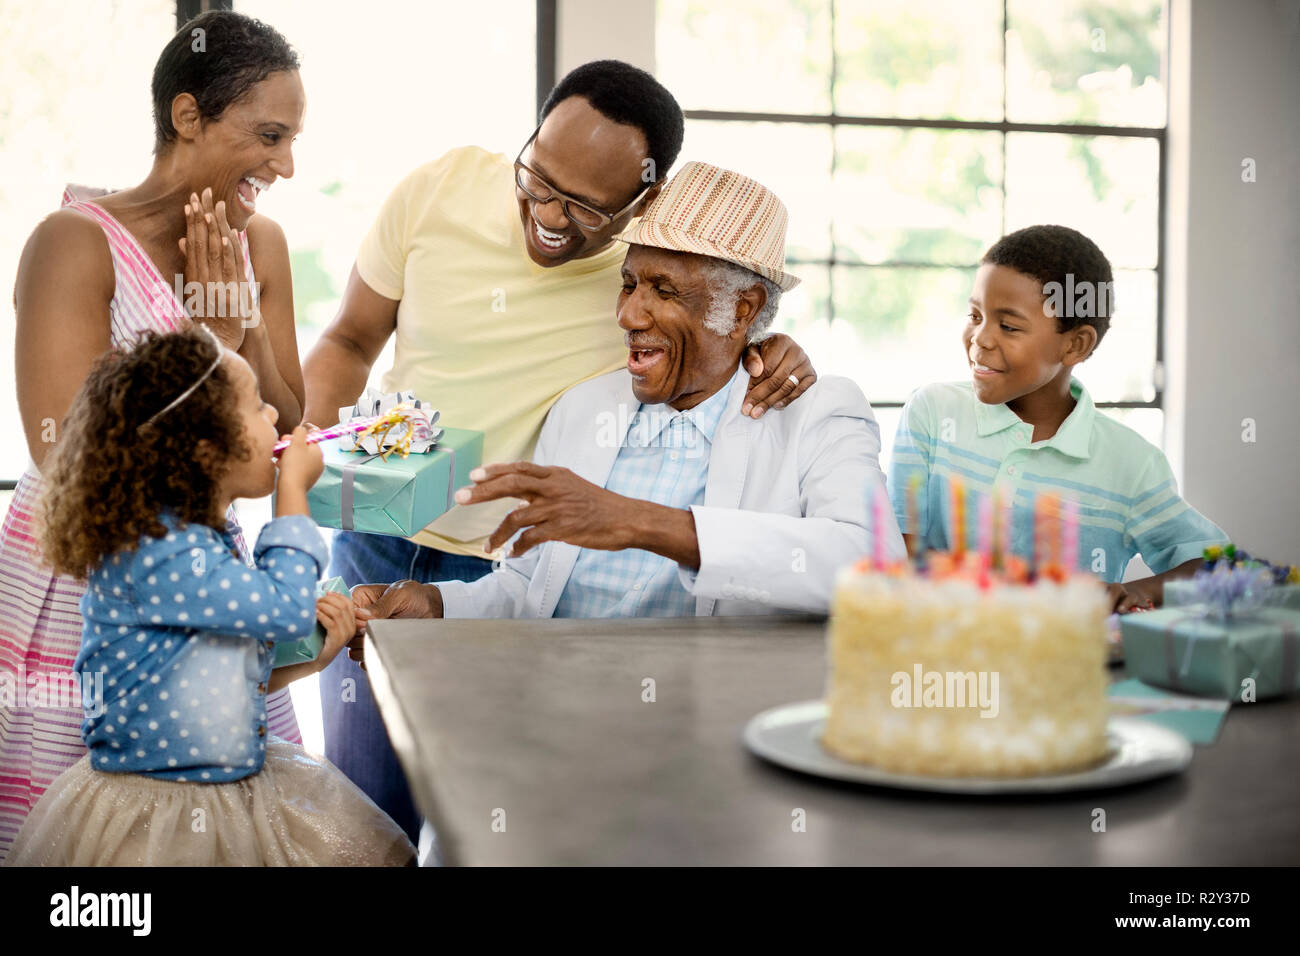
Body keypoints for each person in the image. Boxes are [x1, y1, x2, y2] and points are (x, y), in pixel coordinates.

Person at [302, 61, 820, 841]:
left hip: (506, 569)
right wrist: (316, 467)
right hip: (372, 539)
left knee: (486, 814)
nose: (545, 212)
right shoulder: (438, 189)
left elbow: (715, 319)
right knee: (362, 814)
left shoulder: (643, 273)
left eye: (582, 206)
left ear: (644, 203)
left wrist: (773, 344)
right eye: (536, 177)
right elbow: (347, 338)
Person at [0, 10, 310, 861]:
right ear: (186, 117)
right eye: (270, 135)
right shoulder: (74, 242)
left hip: (212, 569)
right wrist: (211, 342)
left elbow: (285, 421)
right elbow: (67, 454)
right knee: (94, 840)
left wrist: (237, 333)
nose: (286, 164)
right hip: (84, 569)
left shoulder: (263, 247)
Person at [351, 162, 903, 625]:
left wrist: (639, 521)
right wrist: (439, 602)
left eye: (664, 291)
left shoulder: (817, 413)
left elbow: (874, 573)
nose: (627, 314)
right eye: (629, 283)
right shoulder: (584, 408)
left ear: (743, 310)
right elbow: (529, 590)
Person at [5, 328, 413, 866]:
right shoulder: (159, 552)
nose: (275, 417)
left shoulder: (201, 539)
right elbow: (285, 610)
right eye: (258, 406)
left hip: (227, 788)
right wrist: (293, 492)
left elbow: (218, 676)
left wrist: (312, 660)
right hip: (159, 823)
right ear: (205, 449)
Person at [888, 224, 1227, 609]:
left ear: (1075, 345)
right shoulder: (932, 413)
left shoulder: (1130, 463)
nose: (980, 338)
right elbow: (898, 561)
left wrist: (1140, 591)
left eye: (1009, 326)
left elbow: (1220, 565)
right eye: (975, 314)